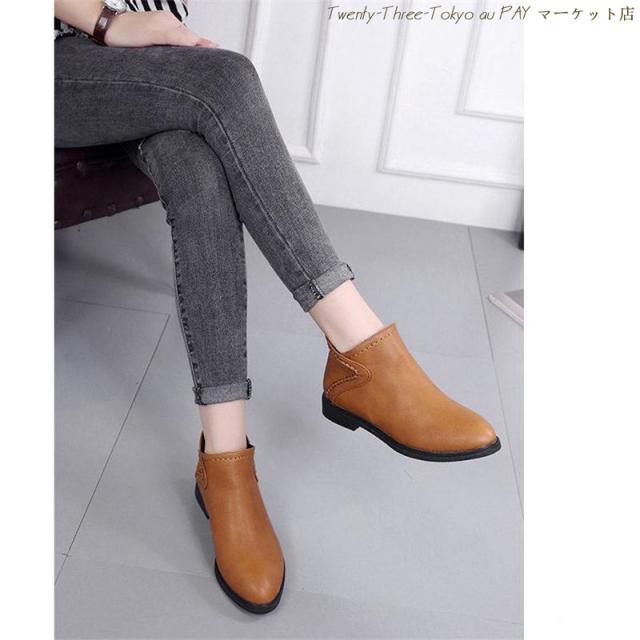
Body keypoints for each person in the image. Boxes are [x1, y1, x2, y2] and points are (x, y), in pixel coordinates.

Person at [55, 0, 501, 614]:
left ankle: (224, 461)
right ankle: (360, 350)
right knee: (228, 79)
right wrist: (107, 22)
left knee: (197, 168)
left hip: (138, 51)